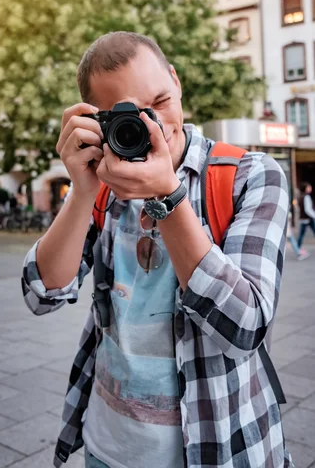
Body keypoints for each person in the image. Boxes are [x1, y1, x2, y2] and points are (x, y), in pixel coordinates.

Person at [21, 32, 292, 468]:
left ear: (176, 80)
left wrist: (169, 198)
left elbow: (244, 328)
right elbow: (41, 293)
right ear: (96, 120)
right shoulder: (103, 190)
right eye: (128, 117)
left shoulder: (249, 177)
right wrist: (81, 192)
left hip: (219, 449)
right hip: (108, 448)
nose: (152, 125)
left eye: (160, 101)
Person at [297, 182, 315, 249]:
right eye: (309, 187)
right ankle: (298, 249)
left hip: (304, 219)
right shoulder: (306, 196)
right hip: (307, 218)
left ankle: (298, 249)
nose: (310, 188)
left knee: (301, 235)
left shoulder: (301, 196)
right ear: (305, 188)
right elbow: (308, 209)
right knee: (301, 235)